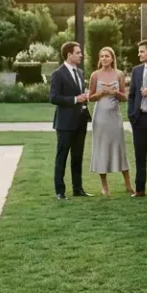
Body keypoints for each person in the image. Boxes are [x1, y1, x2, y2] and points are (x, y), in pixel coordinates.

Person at [49, 41, 91, 200]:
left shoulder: (80, 72)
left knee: (77, 156)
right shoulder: (58, 74)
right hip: (65, 123)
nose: (81, 55)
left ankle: (78, 188)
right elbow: (53, 98)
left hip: (80, 121)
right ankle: (60, 191)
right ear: (69, 55)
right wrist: (75, 99)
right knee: (62, 157)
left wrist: (84, 97)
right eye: (78, 53)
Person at [89, 47, 132, 196]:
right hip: (100, 116)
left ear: (112, 58)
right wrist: (100, 93)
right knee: (101, 148)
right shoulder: (95, 75)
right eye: (102, 56)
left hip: (114, 116)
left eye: (107, 56)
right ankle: (104, 186)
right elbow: (90, 97)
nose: (104, 58)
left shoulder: (119, 74)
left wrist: (115, 92)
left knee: (119, 146)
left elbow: (125, 98)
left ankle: (128, 183)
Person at [127, 40, 147, 198]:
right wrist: (131, 114)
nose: (139, 54)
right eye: (139, 51)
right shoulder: (136, 70)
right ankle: (140, 189)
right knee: (140, 154)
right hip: (138, 118)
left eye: (142, 51)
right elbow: (132, 94)